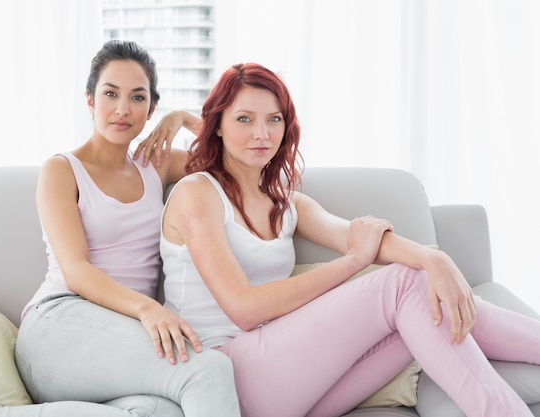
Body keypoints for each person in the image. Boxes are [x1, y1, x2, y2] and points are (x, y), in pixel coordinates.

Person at [159, 62, 540, 417]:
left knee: (424, 308)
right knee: (404, 284)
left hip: (294, 380)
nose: (262, 133)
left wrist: (435, 260)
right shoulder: (198, 192)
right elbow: (244, 308)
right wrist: (354, 262)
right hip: (226, 377)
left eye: (273, 119)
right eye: (244, 119)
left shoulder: (287, 203)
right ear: (218, 125)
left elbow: (362, 238)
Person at [0, 40, 239, 417]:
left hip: (123, 340)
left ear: (151, 108)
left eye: (138, 98)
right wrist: (149, 309)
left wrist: (183, 118)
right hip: (59, 328)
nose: (122, 109)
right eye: (110, 93)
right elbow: (77, 271)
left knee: (161, 412)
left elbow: (236, 164)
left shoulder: (156, 165)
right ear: (89, 100)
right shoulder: (62, 170)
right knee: (210, 370)